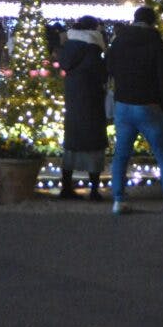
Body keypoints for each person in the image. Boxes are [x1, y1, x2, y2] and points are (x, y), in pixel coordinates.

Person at [106, 6, 163, 215]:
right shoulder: (156, 43)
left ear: (134, 19)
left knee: (121, 155)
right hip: (149, 105)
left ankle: (118, 200)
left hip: (123, 104)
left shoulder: (119, 41)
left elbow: (108, 67)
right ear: (152, 22)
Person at [55, 16, 108, 200]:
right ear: (94, 30)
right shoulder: (92, 49)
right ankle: (94, 190)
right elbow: (102, 73)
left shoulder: (69, 47)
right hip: (91, 99)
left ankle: (66, 187)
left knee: (72, 141)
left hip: (73, 98)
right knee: (94, 143)